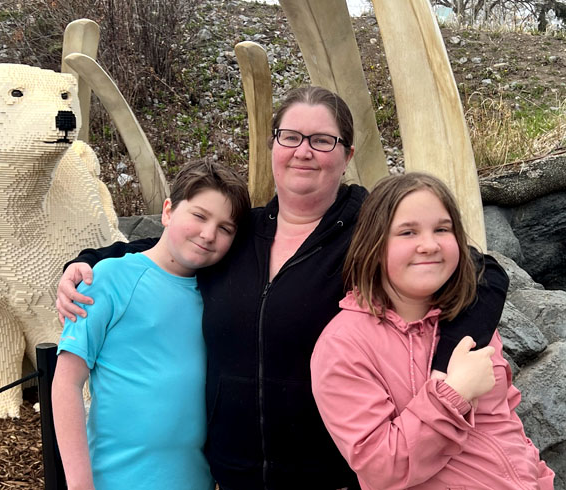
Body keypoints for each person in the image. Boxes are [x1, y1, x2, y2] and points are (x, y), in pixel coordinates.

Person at [57, 86, 509, 489]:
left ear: (347, 154)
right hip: (230, 474)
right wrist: (88, 260)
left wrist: (449, 361)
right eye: (290, 136)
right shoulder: (240, 234)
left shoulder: (370, 235)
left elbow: (484, 273)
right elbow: (172, 245)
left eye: (322, 140)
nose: (303, 151)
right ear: (273, 145)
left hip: (328, 475)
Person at [310, 173, 554, 490]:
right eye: (408, 232)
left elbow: (504, 420)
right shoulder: (343, 346)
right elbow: (382, 467)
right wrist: (454, 395)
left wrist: (540, 478)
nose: (429, 245)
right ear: (374, 245)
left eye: (442, 229)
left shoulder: (469, 318)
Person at [51, 159, 251, 490]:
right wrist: (78, 485)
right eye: (199, 216)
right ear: (169, 211)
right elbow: (66, 384)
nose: (208, 234)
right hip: (114, 480)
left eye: (225, 228)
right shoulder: (105, 279)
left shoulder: (220, 297)